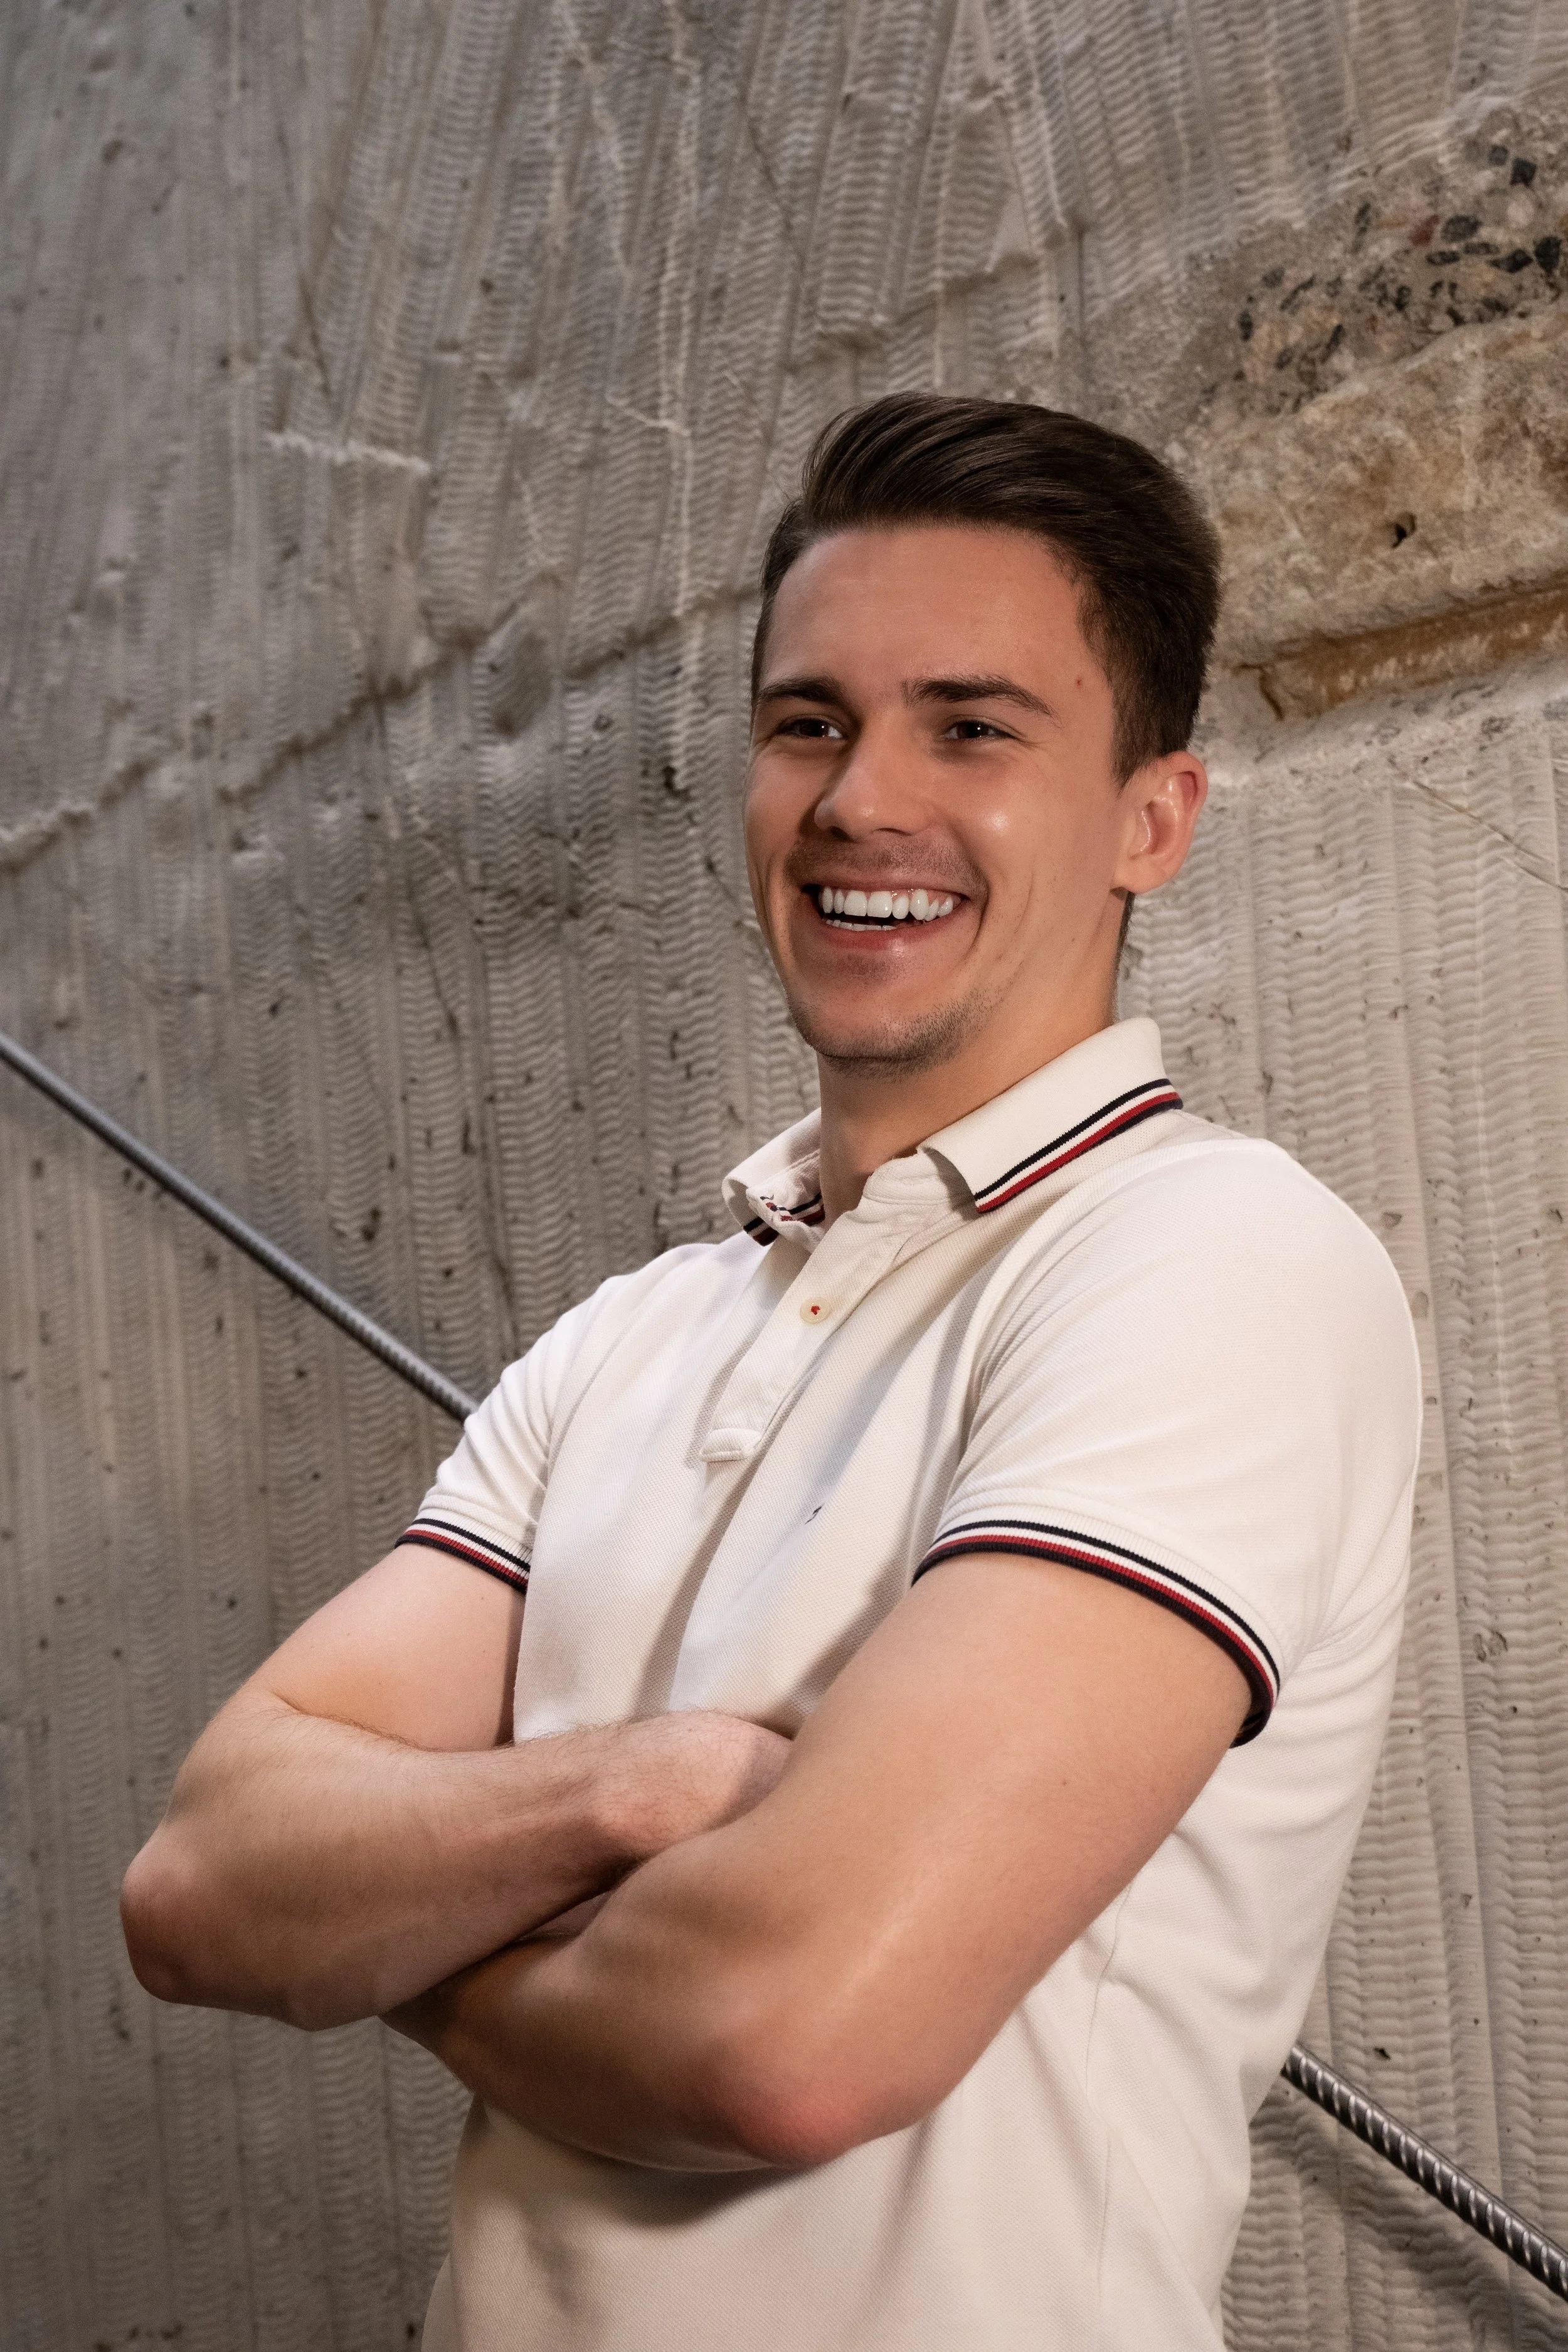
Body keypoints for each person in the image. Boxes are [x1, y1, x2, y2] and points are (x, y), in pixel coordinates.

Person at [121, 394, 1421, 2351]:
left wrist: (394, 1935)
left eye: (968, 727)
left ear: (1152, 814)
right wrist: (640, 1793)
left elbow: (776, 2037)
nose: (854, 802)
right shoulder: (624, 1337)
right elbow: (206, 1878)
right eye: (806, 722)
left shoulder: (1206, 1261)